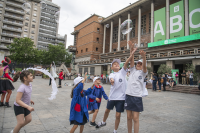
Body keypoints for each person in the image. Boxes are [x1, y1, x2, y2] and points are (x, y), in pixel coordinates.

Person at [96, 51, 132, 133]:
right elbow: (111, 79)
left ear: (120, 67)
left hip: (121, 98)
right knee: (106, 111)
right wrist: (112, 81)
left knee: (118, 115)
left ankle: (115, 131)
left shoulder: (122, 72)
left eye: (118, 64)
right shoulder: (111, 74)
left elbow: (126, 63)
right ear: (111, 67)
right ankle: (103, 122)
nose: (116, 64)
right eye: (114, 64)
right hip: (112, 97)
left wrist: (131, 55)